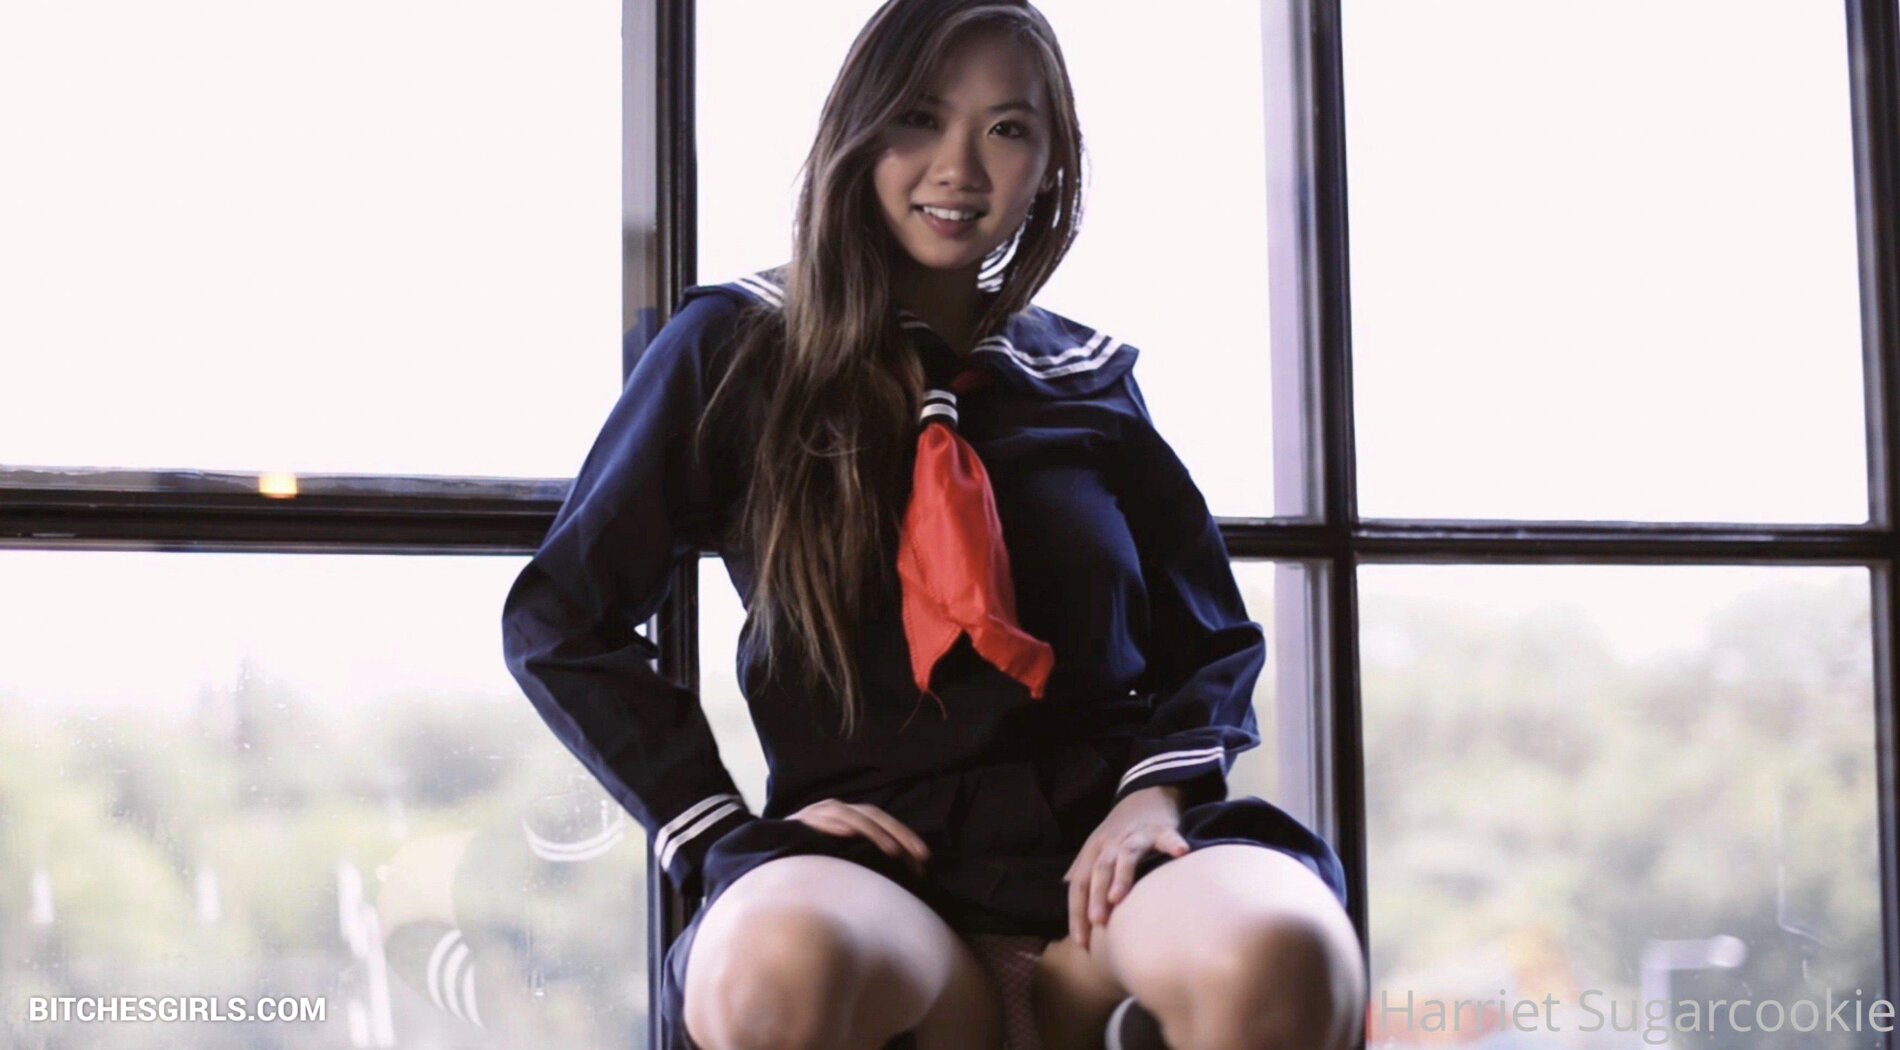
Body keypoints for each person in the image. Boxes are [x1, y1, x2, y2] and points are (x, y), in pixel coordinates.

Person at [500, 1, 1366, 1047]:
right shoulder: (734, 347)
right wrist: (716, 826)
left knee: (1286, 950)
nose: (958, 168)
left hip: (1105, 868)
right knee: (774, 971)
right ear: (857, 131)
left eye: (1006, 129)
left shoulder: (1085, 377)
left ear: (1051, 163)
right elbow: (561, 618)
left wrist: (1157, 799)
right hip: (873, 875)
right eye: (919, 118)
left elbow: (1211, 638)